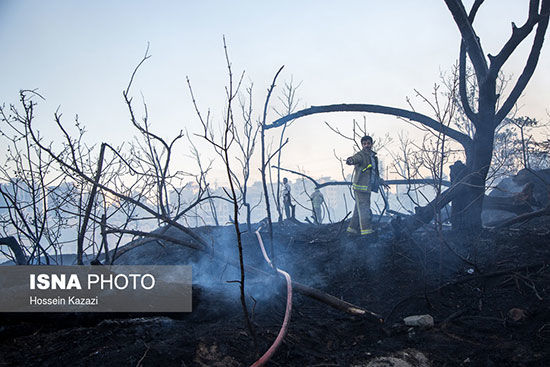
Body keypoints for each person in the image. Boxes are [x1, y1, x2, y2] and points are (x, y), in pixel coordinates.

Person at [345, 135, 380, 236]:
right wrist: (350, 160)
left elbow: (374, 172)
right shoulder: (361, 155)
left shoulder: (373, 157)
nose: (366, 145)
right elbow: (355, 159)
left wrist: (380, 181)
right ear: (362, 145)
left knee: (358, 209)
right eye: (364, 144)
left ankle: (351, 230)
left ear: (371, 144)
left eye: (368, 143)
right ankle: (366, 232)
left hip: (367, 188)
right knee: (364, 209)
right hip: (361, 188)